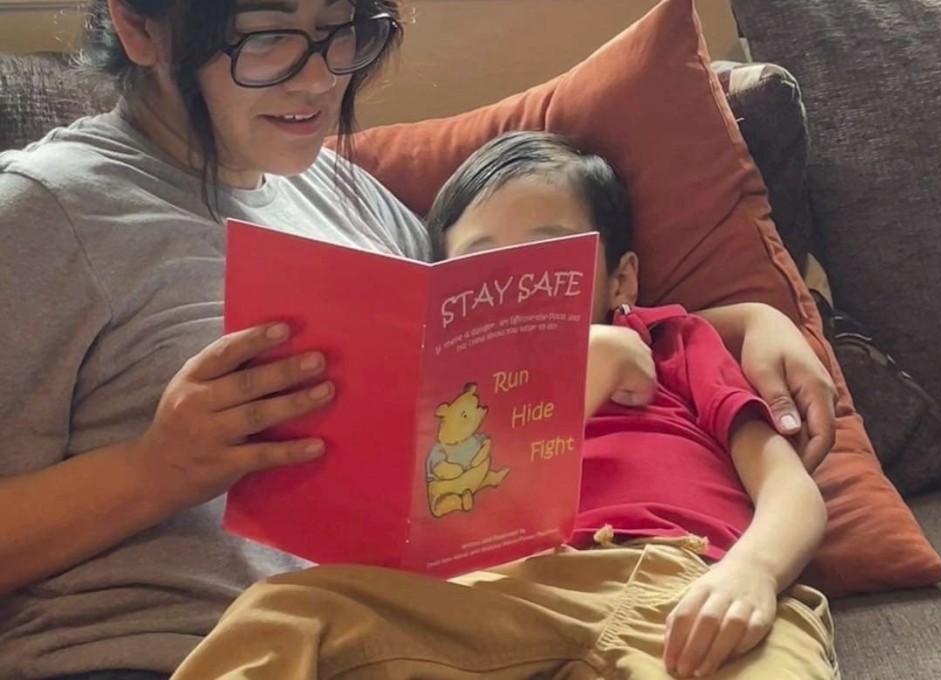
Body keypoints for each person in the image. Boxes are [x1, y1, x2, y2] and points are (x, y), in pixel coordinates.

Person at [0, 0, 837, 677]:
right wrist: (152, 472)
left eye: (342, 31)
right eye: (267, 36)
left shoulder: (344, 194)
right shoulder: (44, 212)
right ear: (142, 25)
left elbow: (510, 345)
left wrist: (747, 322)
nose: (320, 79)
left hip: (438, 636)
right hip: (156, 652)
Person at [168, 132, 837, 680]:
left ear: (621, 278)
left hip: (690, 581)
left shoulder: (672, 341)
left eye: (547, 252)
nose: (516, 281)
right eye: (483, 260)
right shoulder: (447, 393)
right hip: (494, 595)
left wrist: (753, 573)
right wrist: (584, 372)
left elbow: (789, 488)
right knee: (282, 612)